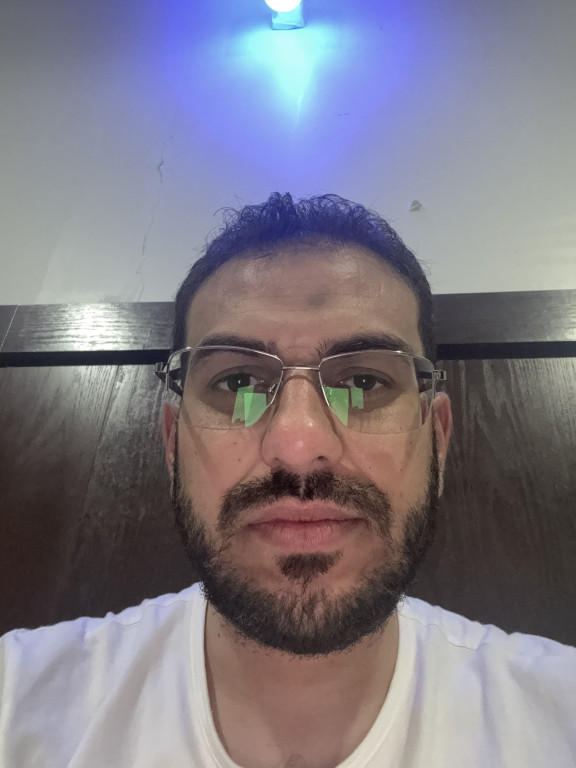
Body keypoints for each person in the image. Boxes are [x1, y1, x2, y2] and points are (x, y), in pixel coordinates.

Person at [0, 193, 574, 767]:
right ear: (173, 444)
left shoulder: (557, 718)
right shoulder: (18, 703)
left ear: (438, 441)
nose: (298, 447)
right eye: (238, 383)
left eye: (366, 383)